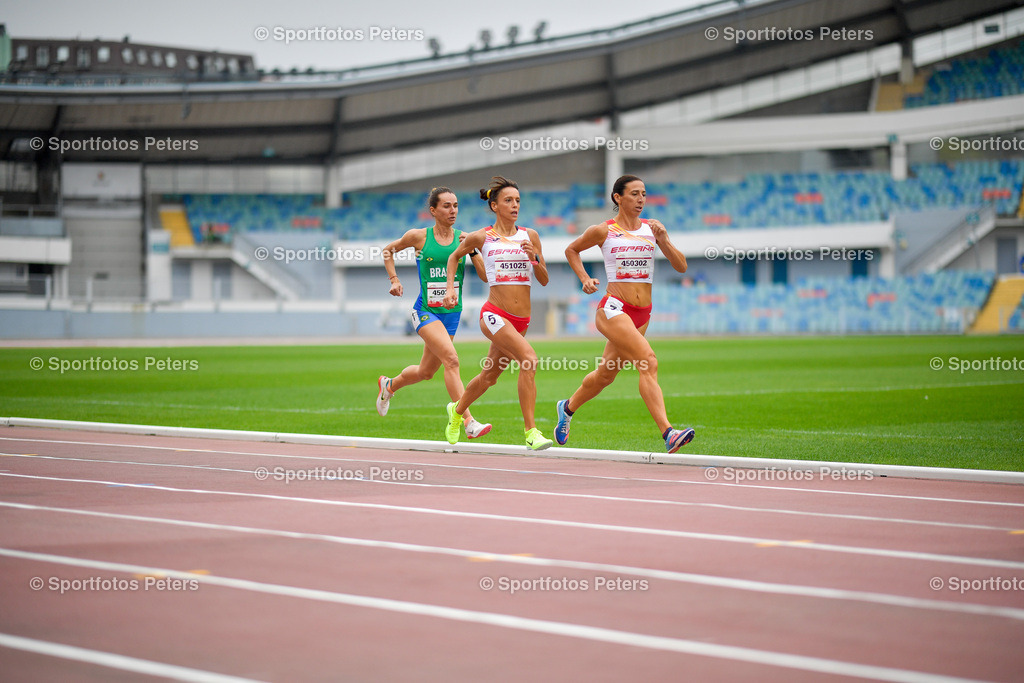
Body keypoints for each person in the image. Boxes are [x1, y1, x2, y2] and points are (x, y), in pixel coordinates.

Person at [555, 174, 695, 453]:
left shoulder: (651, 230)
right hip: (613, 309)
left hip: (643, 313)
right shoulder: (603, 230)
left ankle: (567, 408)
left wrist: (664, 239)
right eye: (634, 193)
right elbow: (571, 250)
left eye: (643, 193)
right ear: (618, 198)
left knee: (606, 375)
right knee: (648, 361)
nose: (641, 199)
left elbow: (681, 267)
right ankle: (668, 432)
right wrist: (584, 278)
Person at [440, 176, 553, 450]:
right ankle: (531, 432)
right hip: (493, 315)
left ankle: (456, 413)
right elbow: (454, 256)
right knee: (529, 359)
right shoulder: (482, 237)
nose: (515, 206)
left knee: (489, 376)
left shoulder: (531, 236)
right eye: (508, 201)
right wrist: (450, 288)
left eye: (517, 201)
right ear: (494, 206)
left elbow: (544, 279)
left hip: (521, 320)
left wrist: (534, 258)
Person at [376, 186, 492, 439]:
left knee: (426, 372)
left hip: (452, 313)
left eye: (456, 205)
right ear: (433, 210)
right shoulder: (419, 237)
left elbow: (485, 277)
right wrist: (394, 280)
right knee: (452, 360)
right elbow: (387, 251)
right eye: (447, 206)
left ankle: (389, 385)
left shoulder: (465, 238)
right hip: (425, 311)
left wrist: (473, 251)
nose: (453, 211)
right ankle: (468, 420)